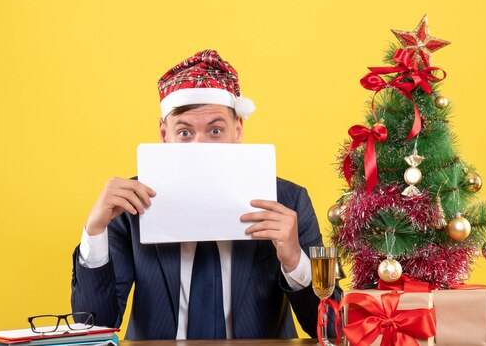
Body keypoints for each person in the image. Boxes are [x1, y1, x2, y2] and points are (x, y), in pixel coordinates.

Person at [71, 49, 342, 340]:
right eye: (185, 133)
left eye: (215, 130)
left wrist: (294, 260)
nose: (200, 146)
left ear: (237, 130)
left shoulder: (288, 202)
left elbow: (332, 330)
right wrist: (95, 231)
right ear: (164, 135)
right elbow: (96, 329)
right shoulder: (130, 206)